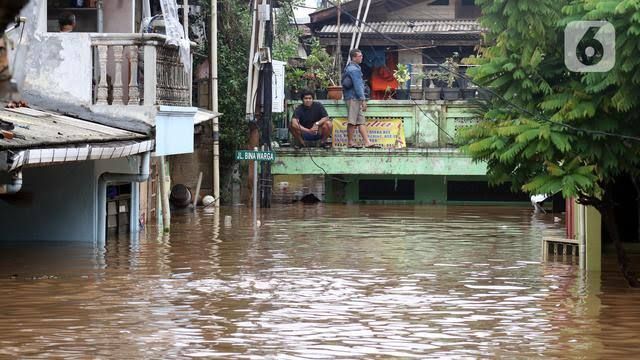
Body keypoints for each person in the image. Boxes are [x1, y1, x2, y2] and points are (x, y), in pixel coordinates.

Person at [343, 48, 379, 148]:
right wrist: (363, 100)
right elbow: (358, 86)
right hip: (353, 98)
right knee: (352, 121)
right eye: (360, 56)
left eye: (362, 56)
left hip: (354, 97)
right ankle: (350, 142)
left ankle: (367, 142)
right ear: (354, 58)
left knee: (360, 121)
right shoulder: (354, 70)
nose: (362, 58)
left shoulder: (351, 67)